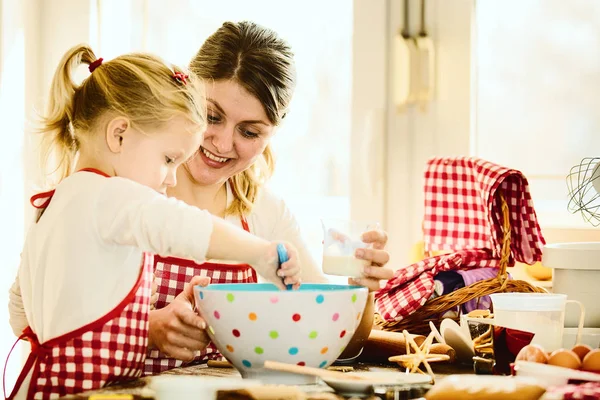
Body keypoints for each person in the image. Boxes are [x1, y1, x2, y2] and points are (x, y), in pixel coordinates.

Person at [6, 44, 301, 399]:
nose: (171, 179)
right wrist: (259, 252)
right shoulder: (110, 196)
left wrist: (110, 334)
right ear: (119, 134)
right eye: (168, 159)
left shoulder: (56, 201)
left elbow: (20, 311)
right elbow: (179, 225)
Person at [146, 21, 394, 374]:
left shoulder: (265, 214)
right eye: (211, 116)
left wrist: (362, 286)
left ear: (272, 132)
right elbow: (54, 317)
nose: (222, 143)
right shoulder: (133, 188)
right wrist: (149, 329)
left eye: (248, 131)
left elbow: (341, 344)